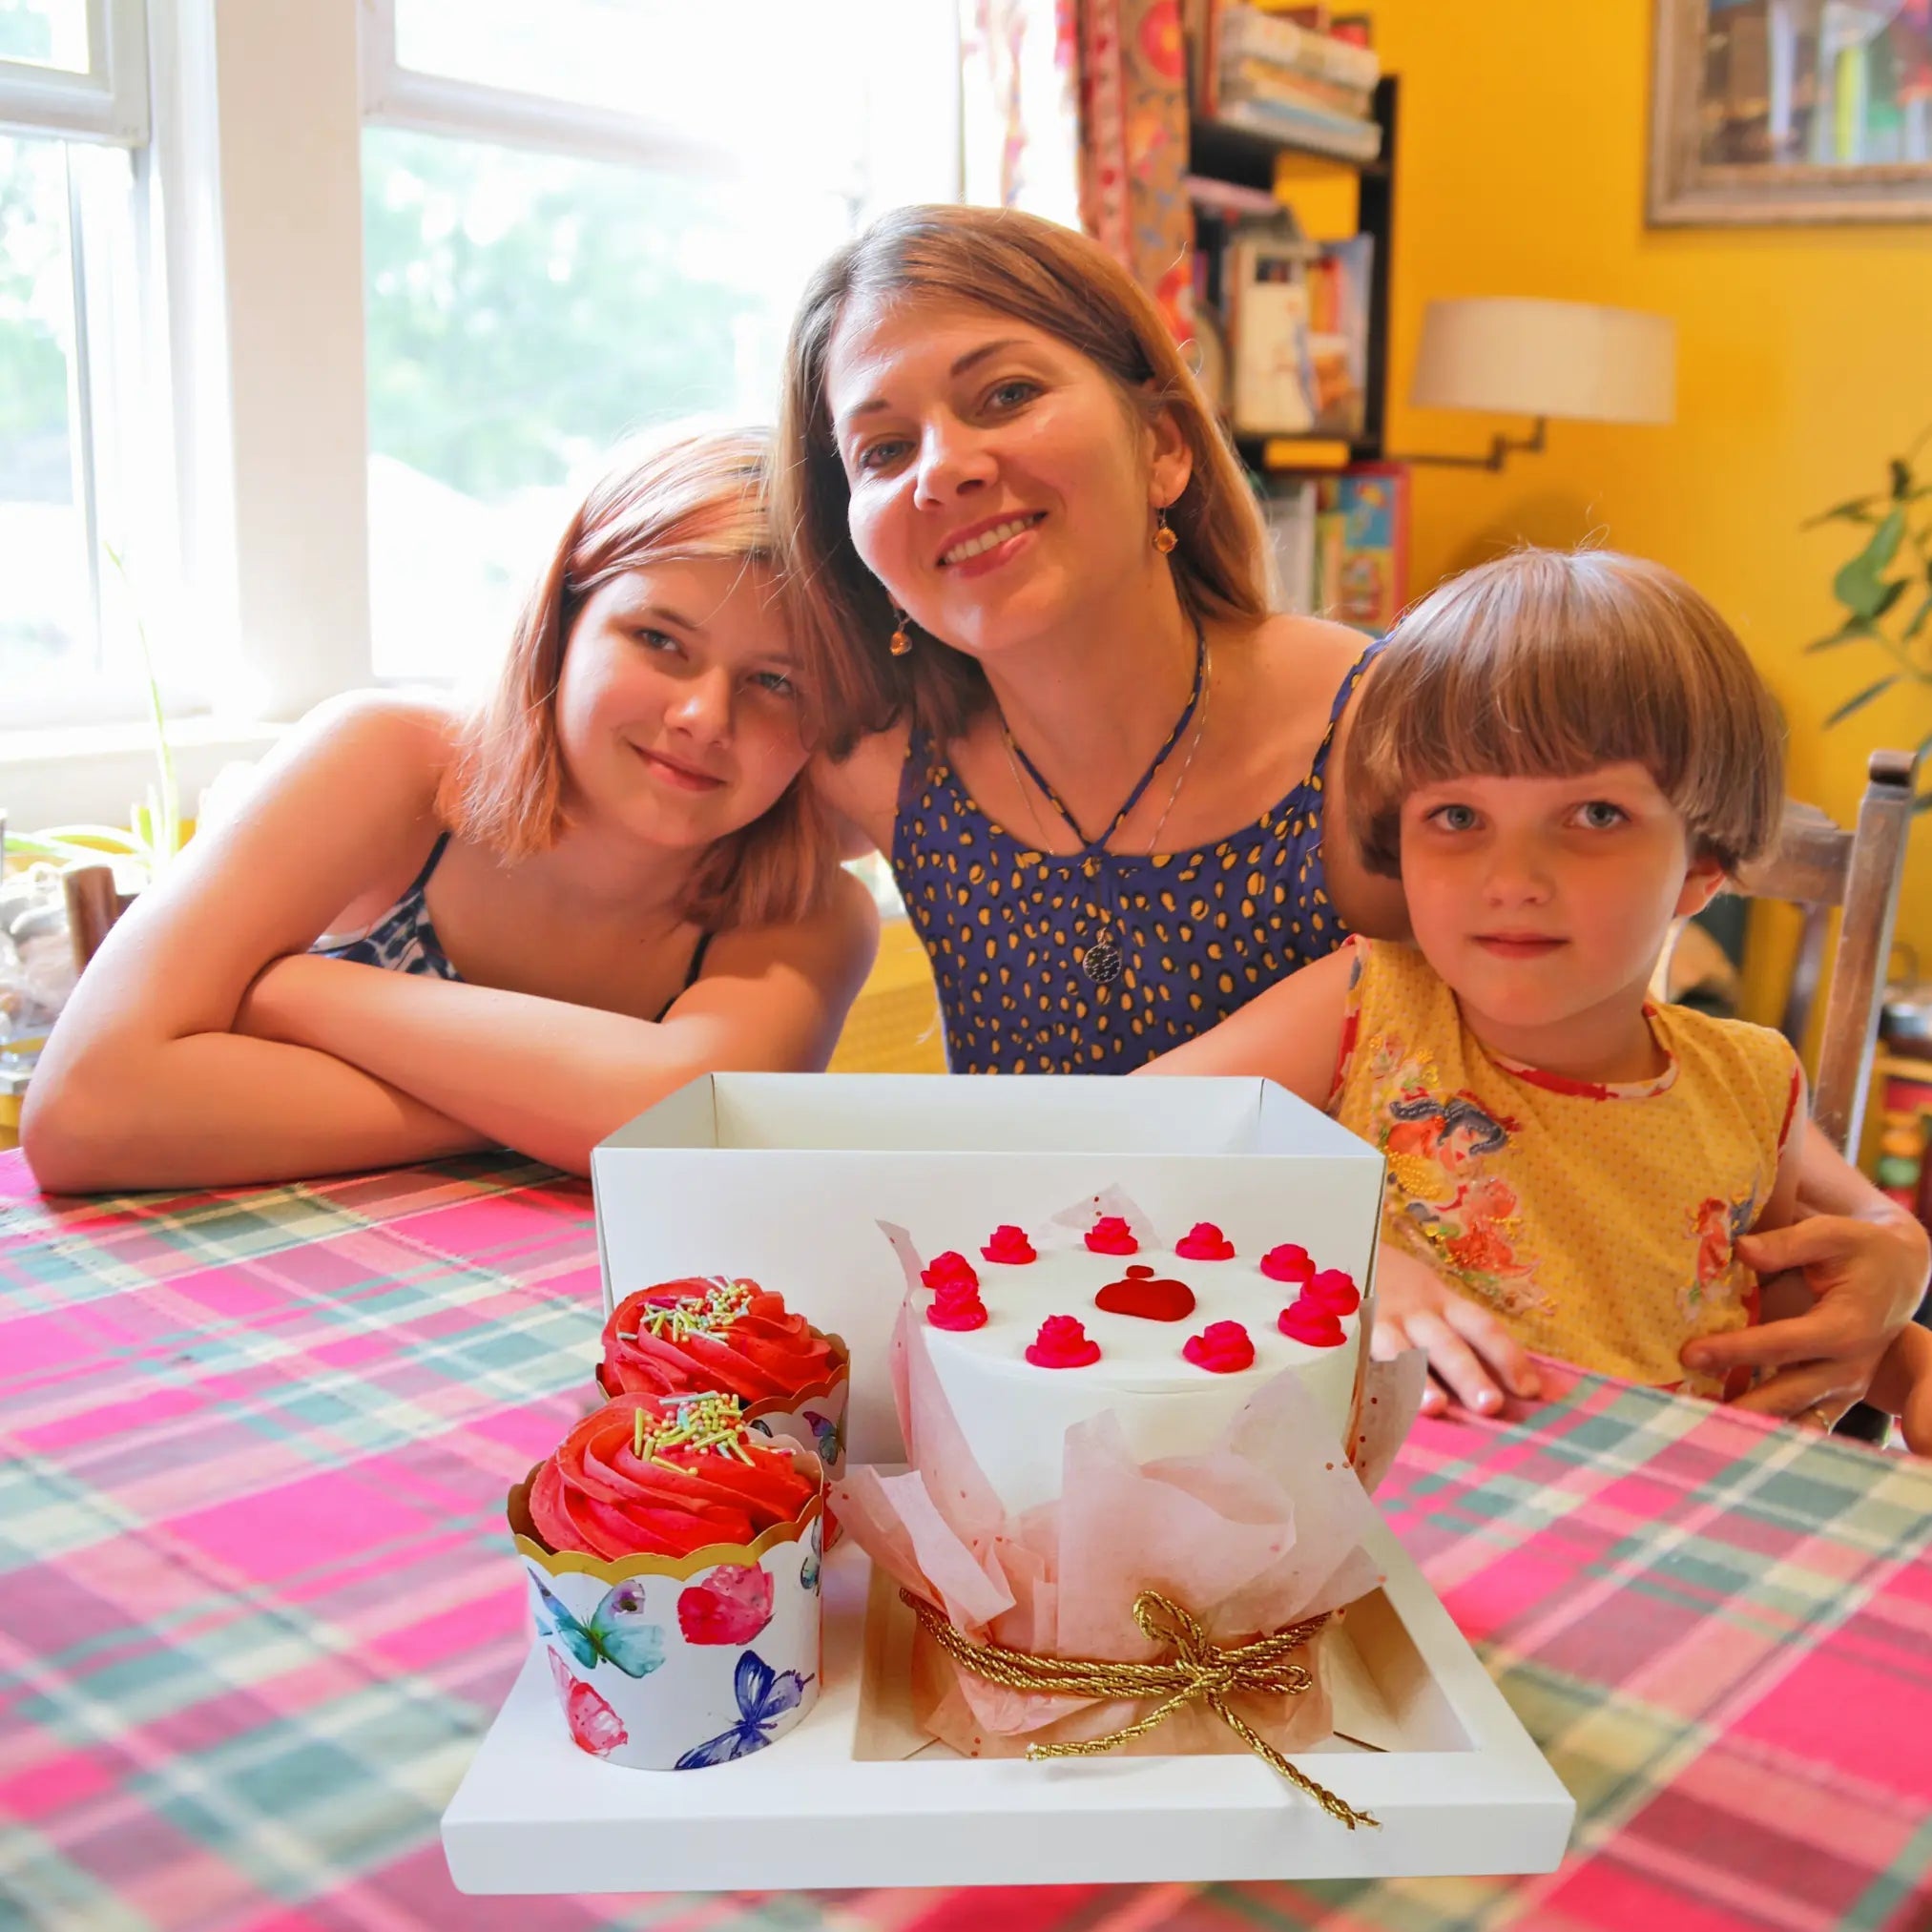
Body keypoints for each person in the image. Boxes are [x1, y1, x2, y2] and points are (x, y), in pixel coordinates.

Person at [773, 202, 1924, 1423]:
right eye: (882, 450)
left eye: (1002, 395)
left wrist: (1893, 1249)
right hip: (1036, 1374)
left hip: (1360, 1408)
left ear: (1165, 446)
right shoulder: (874, 760)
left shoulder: (1408, 747)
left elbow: (1613, 1098)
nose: (943, 463)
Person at [1138, 546, 1930, 1444]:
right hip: (1397, 1525)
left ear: (1702, 861)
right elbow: (1125, 1136)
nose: (1511, 877)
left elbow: (1771, 1303)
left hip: (1660, 1524)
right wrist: (1339, 1262)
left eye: (1593, 815)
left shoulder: (1753, 1084)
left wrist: (1906, 1365)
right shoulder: (1370, 1003)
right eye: (1457, 817)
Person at [23, 428, 878, 1190]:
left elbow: (695, 1140)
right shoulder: (388, 762)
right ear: (562, 620)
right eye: (659, 639)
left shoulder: (807, 910)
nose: (703, 717)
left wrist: (292, 994)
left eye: (776, 681)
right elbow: (82, 1114)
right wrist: (569, 1113)